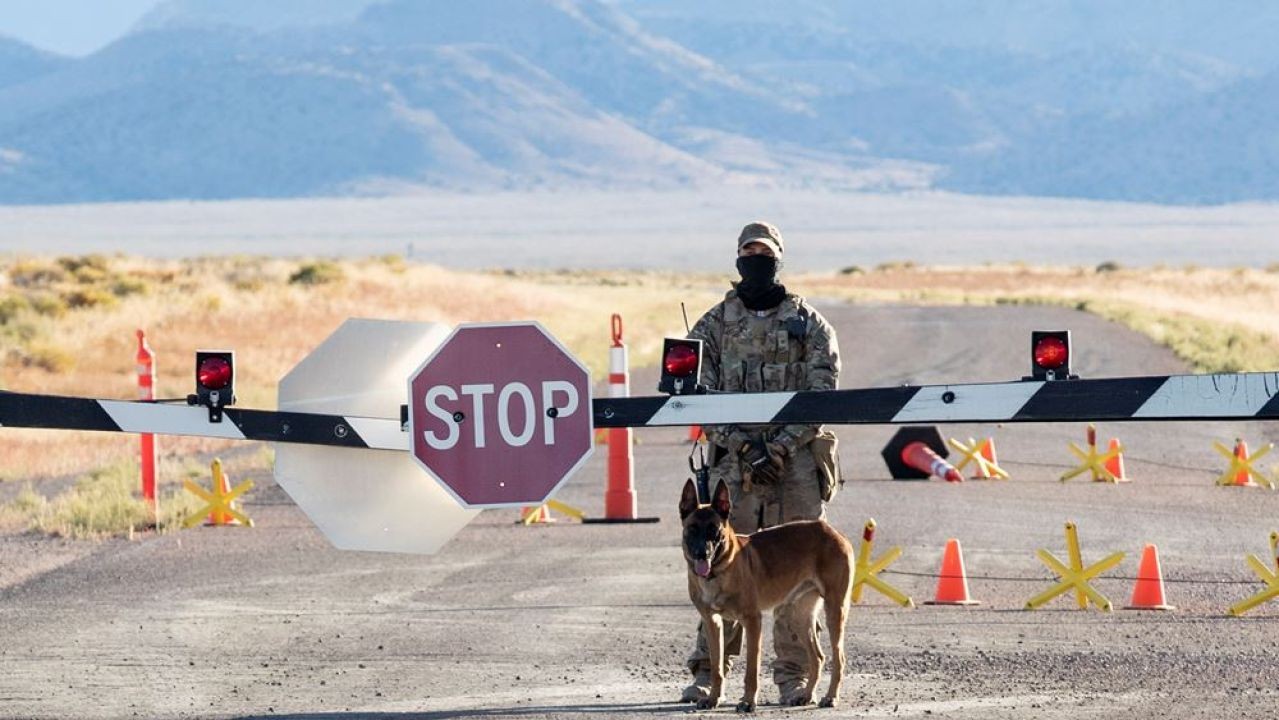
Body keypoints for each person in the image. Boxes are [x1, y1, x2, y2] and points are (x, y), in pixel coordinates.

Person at [680, 220, 842, 706]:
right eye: (748, 252)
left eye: (764, 252)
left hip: (793, 469)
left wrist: (780, 448)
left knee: (797, 579)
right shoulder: (712, 325)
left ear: (778, 259)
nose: (756, 260)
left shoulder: (809, 323)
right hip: (735, 469)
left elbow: (823, 394)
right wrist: (743, 447)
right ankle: (710, 672)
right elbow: (694, 393)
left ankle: (793, 675)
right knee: (717, 573)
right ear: (737, 259)